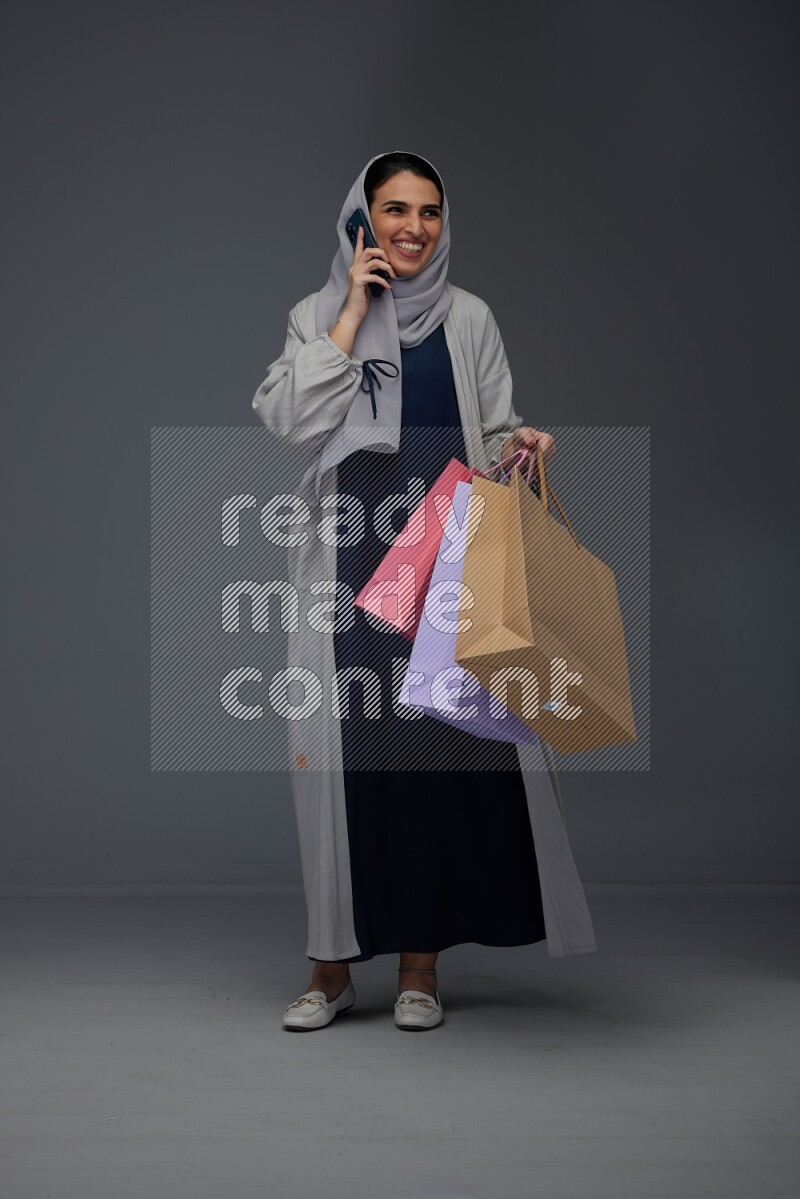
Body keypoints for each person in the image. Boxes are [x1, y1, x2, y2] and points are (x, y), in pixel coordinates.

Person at [251, 150, 597, 1032]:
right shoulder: (315, 315)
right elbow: (288, 420)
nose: (413, 227)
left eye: (430, 211)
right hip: (349, 569)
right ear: (360, 218)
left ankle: (419, 966)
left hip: (447, 569)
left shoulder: (469, 317)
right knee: (346, 767)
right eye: (395, 209)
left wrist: (523, 443)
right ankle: (330, 966)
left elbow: (491, 431)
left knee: (435, 763)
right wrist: (351, 314)